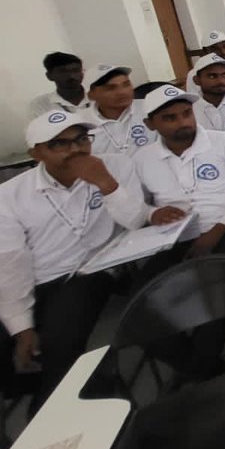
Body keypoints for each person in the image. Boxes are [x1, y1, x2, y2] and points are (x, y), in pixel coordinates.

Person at [0, 111, 153, 410]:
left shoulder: (115, 166)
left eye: (82, 139)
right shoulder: (10, 195)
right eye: (60, 144)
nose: (76, 150)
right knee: (13, 339)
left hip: (95, 269)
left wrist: (107, 184)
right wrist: (21, 325)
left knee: (60, 335)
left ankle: (48, 411)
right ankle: (59, 390)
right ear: (36, 152)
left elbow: (137, 222)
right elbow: (10, 262)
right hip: (35, 279)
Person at [135, 85, 225, 259]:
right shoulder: (143, 159)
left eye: (187, 113)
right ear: (150, 124)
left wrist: (219, 229)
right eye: (170, 118)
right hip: (172, 236)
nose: (182, 122)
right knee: (156, 281)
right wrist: (152, 213)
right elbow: (137, 204)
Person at [85, 64, 155, 156]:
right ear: (91, 95)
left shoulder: (152, 108)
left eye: (126, 84)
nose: (122, 92)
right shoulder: (81, 122)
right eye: (111, 88)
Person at [29, 52, 89, 117]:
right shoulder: (40, 104)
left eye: (76, 70)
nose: (71, 76)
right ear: (49, 76)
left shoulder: (97, 96)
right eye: (63, 72)